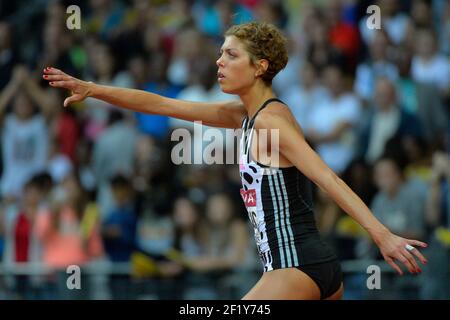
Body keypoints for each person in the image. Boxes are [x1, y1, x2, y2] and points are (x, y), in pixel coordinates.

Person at [43, 21, 428, 300]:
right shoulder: (240, 116)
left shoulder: (270, 121)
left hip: (296, 267)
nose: (219, 62)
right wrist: (92, 89)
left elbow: (328, 178)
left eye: (230, 54)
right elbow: (161, 103)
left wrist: (382, 235)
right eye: (220, 53)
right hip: (304, 269)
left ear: (259, 67)